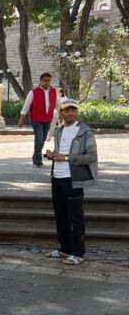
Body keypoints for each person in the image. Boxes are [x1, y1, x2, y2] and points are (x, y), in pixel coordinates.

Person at [44, 99, 97, 266]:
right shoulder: (59, 131)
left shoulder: (85, 132)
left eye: (73, 110)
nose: (71, 113)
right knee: (61, 216)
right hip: (57, 177)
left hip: (73, 179)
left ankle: (78, 253)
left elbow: (92, 156)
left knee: (76, 217)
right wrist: (53, 155)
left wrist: (65, 157)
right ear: (62, 113)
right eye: (67, 110)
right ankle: (65, 249)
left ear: (77, 112)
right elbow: (61, 153)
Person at [18, 72, 59, 167]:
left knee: (43, 138)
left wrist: (59, 114)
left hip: (48, 119)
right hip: (36, 119)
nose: (47, 83)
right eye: (45, 81)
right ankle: (37, 158)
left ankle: (36, 154)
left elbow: (57, 105)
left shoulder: (54, 92)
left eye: (48, 81)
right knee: (39, 138)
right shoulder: (33, 92)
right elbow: (26, 106)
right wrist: (21, 119)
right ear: (40, 81)